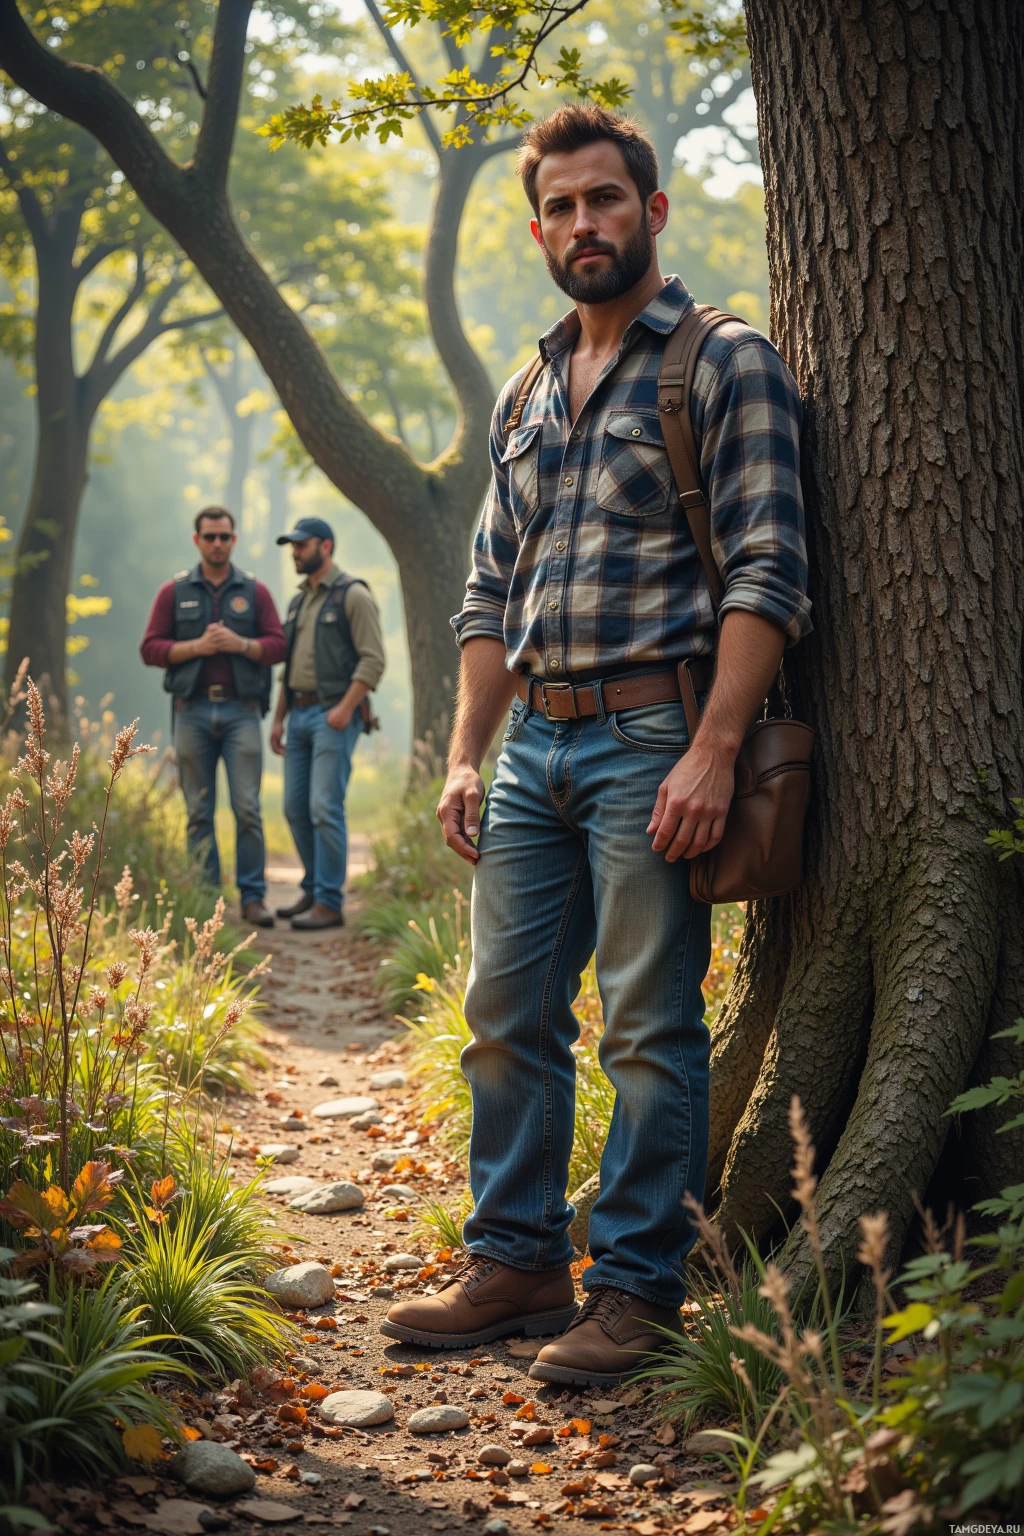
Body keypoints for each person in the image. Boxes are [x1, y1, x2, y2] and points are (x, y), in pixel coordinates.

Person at [380, 105, 812, 1383]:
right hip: (531, 755)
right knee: (504, 1016)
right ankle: (514, 1260)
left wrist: (712, 749)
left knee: (645, 1026)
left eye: (606, 201)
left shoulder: (723, 362)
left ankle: (634, 1291)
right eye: (562, 208)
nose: (584, 225)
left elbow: (770, 569)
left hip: (652, 741)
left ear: (653, 211)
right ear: (538, 228)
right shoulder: (527, 386)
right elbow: (487, 593)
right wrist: (467, 751)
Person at [141, 506, 287, 928]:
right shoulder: (174, 592)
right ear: (197, 541)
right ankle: (207, 902)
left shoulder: (255, 592)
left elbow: (278, 646)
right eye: (210, 537)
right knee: (199, 812)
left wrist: (240, 644)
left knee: (247, 809)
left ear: (234, 540)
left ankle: (253, 899)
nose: (218, 543)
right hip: (192, 712)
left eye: (225, 536)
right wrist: (195, 648)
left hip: (243, 712)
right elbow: (150, 648)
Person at [270, 516, 386, 930]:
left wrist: (344, 708)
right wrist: (279, 718)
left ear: (326, 546)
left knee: (324, 807)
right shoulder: (298, 601)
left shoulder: (353, 595)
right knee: (295, 808)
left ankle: (330, 903)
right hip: (297, 714)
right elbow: (289, 667)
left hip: (334, 716)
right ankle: (314, 887)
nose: (295, 553)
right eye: (292, 546)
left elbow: (374, 659)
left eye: (301, 545)